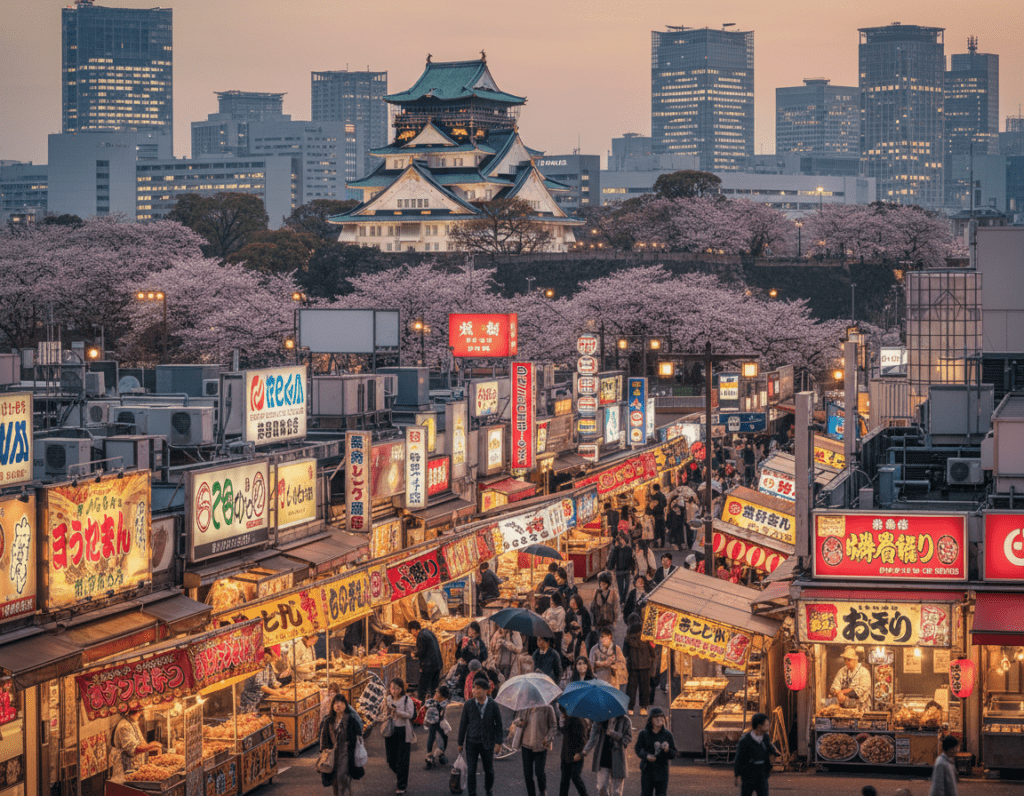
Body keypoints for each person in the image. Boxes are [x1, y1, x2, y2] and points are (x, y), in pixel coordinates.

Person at [457, 675, 503, 796]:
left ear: (485, 690)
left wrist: (499, 742)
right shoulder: (468, 704)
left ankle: (489, 789)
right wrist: (460, 743)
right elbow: (463, 724)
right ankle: (472, 793)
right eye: (473, 688)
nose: (474, 690)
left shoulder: (493, 705)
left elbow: (499, 725)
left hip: (488, 742)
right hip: (472, 742)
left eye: (478, 688)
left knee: (489, 770)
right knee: (471, 771)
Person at [319, 693, 364, 796]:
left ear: (345, 705)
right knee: (335, 781)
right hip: (332, 754)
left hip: (346, 753)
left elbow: (358, 735)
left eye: (341, 703)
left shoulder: (351, 720)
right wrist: (323, 753)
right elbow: (323, 737)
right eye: (335, 703)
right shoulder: (328, 720)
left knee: (343, 778)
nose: (338, 705)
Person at [583, 712, 632, 796]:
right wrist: (585, 751)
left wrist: (614, 734)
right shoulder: (599, 720)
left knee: (616, 792)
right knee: (601, 788)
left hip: (618, 759)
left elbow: (627, 739)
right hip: (602, 758)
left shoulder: (625, 720)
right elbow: (593, 737)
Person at [512, 704, 557, 796]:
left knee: (539, 772)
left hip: (541, 745)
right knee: (528, 775)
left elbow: (553, 726)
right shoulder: (524, 707)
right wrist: (520, 722)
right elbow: (515, 721)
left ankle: (542, 790)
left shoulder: (547, 708)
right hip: (526, 745)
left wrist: (548, 738)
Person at [634, 707, 677, 796]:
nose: (659, 719)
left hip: (662, 771)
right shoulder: (643, 733)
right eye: (656, 717)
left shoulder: (668, 734)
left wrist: (667, 750)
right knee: (646, 793)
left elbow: (674, 754)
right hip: (647, 770)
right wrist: (646, 755)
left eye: (661, 717)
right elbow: (638, 749)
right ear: (650, 720)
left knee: (661, 794)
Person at [384, 677, 416, 795]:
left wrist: (397, 712)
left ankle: (401, 784)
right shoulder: (387, 699)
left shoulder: (407, 700)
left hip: (403, 731)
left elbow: (410, 714)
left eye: (397, 688)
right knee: (391, 759)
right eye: (392, 688)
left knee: (402, 759)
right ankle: (400, 776)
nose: (394, 690)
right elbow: (384, 713)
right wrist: (386, 711)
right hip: (390, 731)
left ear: (401, 689)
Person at [734, 713, 778, 796]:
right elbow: (739, 758)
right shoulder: (745, 741)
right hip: (748, 773)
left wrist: (773, 755)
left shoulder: (766, 737)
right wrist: (737, 775)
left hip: (762, 773)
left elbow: (769, 748)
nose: (768, 727)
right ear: (759, 726)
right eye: (766, 725)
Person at [112, 708, 160, 777]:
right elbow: (133, 750)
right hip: (126, 770)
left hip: (136, 767)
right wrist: (151, 746)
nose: (140, 713)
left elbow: (142, 744)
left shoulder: (133, 723)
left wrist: (154, 749)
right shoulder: (124, 726)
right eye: (139, 711)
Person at [623, 613, 653, 715]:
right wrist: (651, 659)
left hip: (632, 665)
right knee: (644, 686)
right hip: (645, 664)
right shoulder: (645, 634)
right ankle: (643, 708)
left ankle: (630, 708)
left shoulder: (627, 636)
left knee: (631, 686)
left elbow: (625, 652)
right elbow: (651, 649)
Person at [238, 647, 285, 712]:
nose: (273, 660)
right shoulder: (257, 666)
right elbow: (262, 687)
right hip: (250, 701)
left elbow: (273, 681)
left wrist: (281, 688)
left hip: (260, 700)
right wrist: (276, 692)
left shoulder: (268, 665)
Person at [558, 705, 590, 796]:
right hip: (566, 753)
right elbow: (564, 731)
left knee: (575, 777)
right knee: (565, 779)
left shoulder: (578, 720)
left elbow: (584, 739)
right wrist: (561, 724)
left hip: (576, 754)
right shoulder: (569, 718)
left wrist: (580, 753)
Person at [408, 620, 444, 701]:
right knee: (434, 688)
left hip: (428, 666)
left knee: (422, 689)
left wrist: (414, 654)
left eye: (411, 632)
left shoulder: (420, 636)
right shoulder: (427, 632)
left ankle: (421, 707)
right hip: (437, 664)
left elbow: (421, 652)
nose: (413, 635)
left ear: (413, 629)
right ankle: (434, 704)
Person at [830, 646, 871, 710]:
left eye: (849, 659)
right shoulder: (842, 671)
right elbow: (834, 687)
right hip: (843, 708)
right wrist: (838, 694)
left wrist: (842, 692)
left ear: (856, 659)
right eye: (845, 659)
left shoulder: (864, 672)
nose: (846, 662)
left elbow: (858, 692)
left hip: (861, 709)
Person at [423, 684, 451, 770]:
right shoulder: (442, 702)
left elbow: (427, 709)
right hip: (440, 726)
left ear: (442, 695)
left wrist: (428, 702)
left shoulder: (438, 704)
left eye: (437, 692)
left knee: (435, 741)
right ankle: (437, 756)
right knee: (440, 741)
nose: (435, 694)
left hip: (437, 726)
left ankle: (432, 757)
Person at [606, 535, 633, 601]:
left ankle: (624, 600)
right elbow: (612, 558)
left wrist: (632, 569)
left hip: (627, 571)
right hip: (619, 571)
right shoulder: (616, 549)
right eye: (621, 539)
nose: (622, 541)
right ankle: (622, 601)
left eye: (623, 539)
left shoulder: (629, 549)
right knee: (620, 588)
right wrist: (615, 547)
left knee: (626, 588)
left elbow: (631, 560)